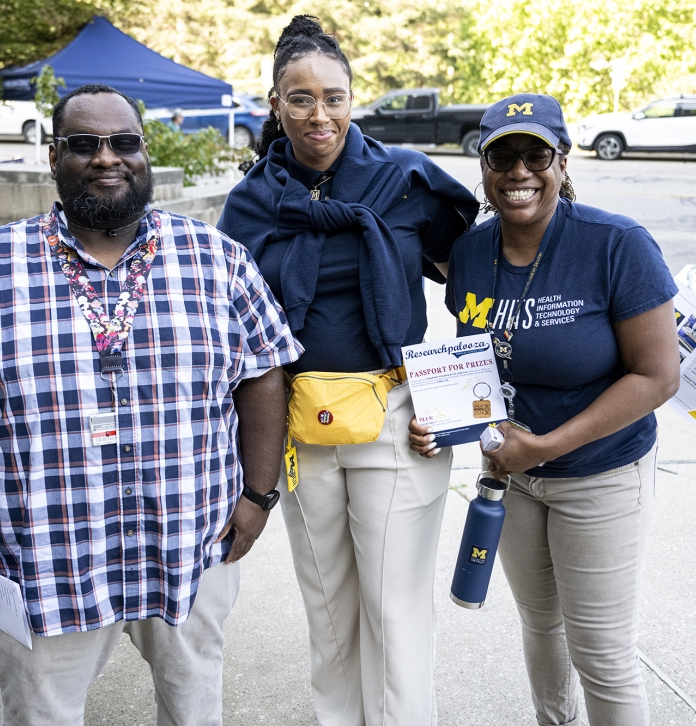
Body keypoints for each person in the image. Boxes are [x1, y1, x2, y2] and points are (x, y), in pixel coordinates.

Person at [0, 83, 301, 726]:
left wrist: (258, 494)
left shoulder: (218, 261)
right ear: (53, 156)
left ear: (145, 153)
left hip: (188, 543)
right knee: (41, 714)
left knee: (195, 706)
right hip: (44, 554)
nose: (106, 157)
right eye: (84, 144)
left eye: (124, 143)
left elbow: (263, 375)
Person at [218, 16, 479, 726]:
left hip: (400, 421)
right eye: (299, 98)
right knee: (330, 611)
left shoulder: (404, 180)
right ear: (274, 104)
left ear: (353, 98)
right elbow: (228, 329)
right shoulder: (250, 203)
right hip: (302, 427)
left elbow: (476, 278)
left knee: (394, 613)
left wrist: (462, 403)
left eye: (333, 96)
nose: (318, 114)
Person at [411, 94, 680, 726]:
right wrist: (447, 423)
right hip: (513, 479)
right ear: (482, 166)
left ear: (562, 160)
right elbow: (477, 361)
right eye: (501, 155)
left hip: (600, 475)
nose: (518, 171)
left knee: (603, 653)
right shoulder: (472, 253)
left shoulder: (616, 244)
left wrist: (546, 446)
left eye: (536, 154)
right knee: (541, 627)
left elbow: (658, 375)